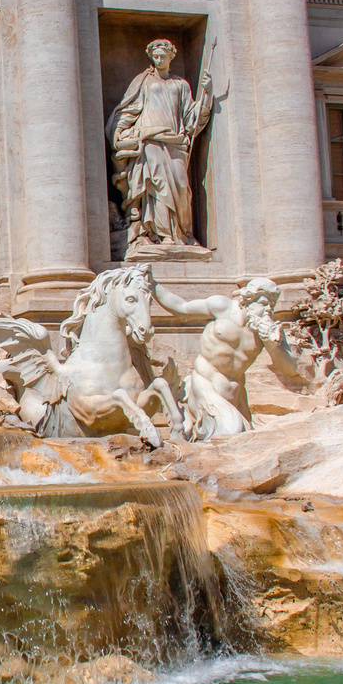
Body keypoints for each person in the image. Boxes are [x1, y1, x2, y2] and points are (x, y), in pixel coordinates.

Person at [152, 277, 302, 439]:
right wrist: (152, 284)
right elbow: (181, 307)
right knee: (231, 431)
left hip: (236, 396)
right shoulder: (223, 307)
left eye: (272, 305)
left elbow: (290, 369)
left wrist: (273, 345)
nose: (268, 310)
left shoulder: (270, 330)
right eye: (263, 304)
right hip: (205, 385)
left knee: (248, 440)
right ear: (247, 301)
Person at [108, 38, 212, 248]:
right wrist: (119, 129)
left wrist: (207, 93)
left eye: (163, 56)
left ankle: (180, 234)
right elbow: (129, 109)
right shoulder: (144, 81)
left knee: (181, 187)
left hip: (175, 142)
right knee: (157, 185)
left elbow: (192, 116)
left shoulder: (181, 85)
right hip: (151, 140)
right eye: (155, 56)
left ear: (171, 56)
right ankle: (162, 235)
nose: (158, 59)